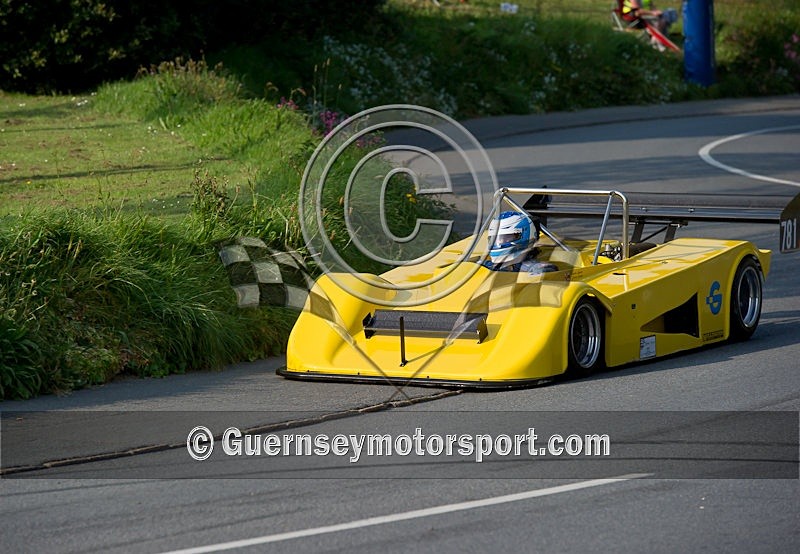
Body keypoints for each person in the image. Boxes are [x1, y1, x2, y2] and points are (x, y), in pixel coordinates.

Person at [483, 210, 557, 274]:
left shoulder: (538, 269)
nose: (500, 242)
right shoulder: (486, 265)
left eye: (507, 237)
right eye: (496, 238)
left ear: (526, 235)